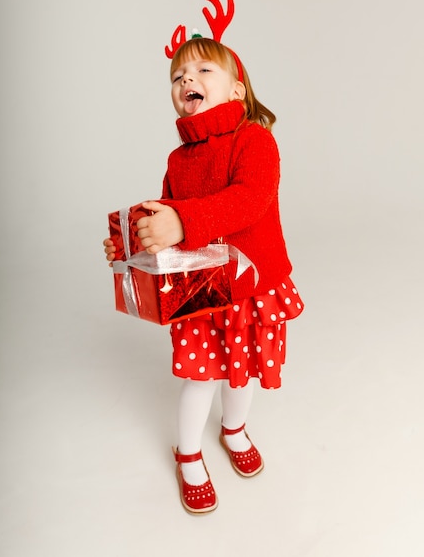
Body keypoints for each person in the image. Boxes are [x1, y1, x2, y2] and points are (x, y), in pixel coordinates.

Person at [103, 35, 304, 515]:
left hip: (251, 289)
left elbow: (248, 200)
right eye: (177, 76)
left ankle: (233, 429)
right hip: (203, 293)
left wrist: (183, 222)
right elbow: (168, 212)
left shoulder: (256, 140)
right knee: (201, 378)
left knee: (242, 373)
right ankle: (187, 452)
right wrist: (135, 240)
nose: (186, 80)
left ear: (237, 89)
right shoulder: (179, 159)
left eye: (202, 72)